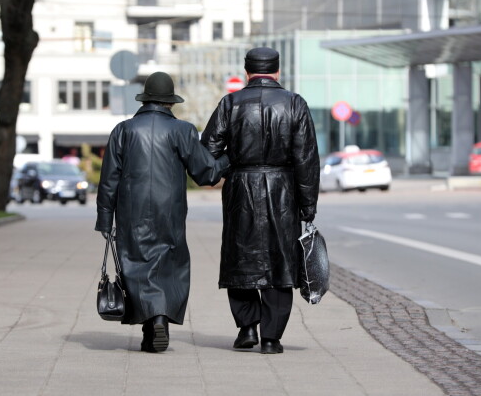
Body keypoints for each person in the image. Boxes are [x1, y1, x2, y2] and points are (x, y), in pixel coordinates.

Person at [95, 71, 229, 353]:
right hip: (170, 210)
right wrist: (233, 155)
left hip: (132, 211)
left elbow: (109, 180)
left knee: (137, 264)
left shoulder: (124, 130)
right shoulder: (183, 130)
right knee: (169, 263)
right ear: (170, 102)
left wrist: (105, 220)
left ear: (145, 100)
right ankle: (160, 319)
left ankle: (151, 324)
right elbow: (207, 173)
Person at [201, 47, 320, 354]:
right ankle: (271, 338)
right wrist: (308, 205)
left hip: (242, 187)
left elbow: (208, 151)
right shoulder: (295, 103)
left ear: (247, 72)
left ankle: (246, 329)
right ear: (278, 72)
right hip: (284, 189)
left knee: (241, 258)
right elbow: (306, 158)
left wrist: (235, 162)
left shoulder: (230, 103)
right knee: (281, 262)